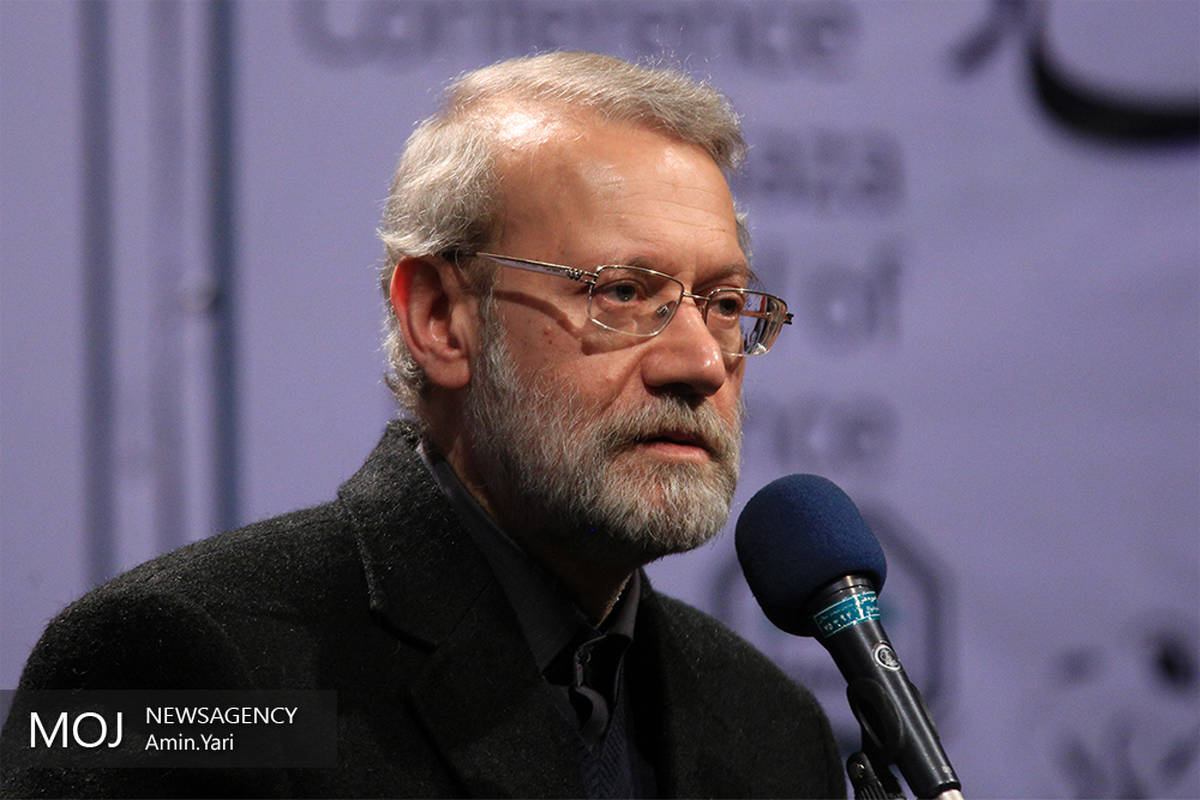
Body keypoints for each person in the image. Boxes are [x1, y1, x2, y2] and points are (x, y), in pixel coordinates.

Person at [1, 52, 844, 798]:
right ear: (441, 319)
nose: (700, 363)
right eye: (622, 292)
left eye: (725, 304)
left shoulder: (771, 727)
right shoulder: (190, 668)